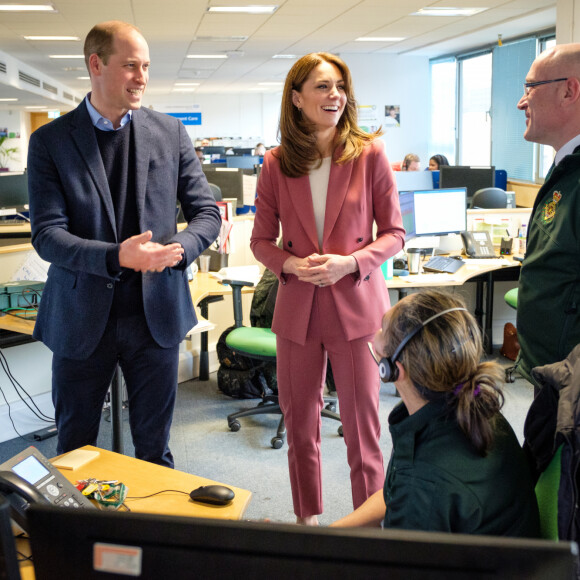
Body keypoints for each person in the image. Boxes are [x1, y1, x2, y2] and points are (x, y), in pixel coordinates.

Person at [27, 21, 222, 467]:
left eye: (146, 66)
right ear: (96, 64)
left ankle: (153, 536)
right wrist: (118, 257)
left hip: (155, 316)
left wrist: (179, 250)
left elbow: (206, 213)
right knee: (75, 449)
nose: (142, 77)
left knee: (155, 449)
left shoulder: (169, 133)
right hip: (81, 318)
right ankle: (78, 535)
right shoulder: (51, 142)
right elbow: (48, 235)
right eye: (131, 65)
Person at [250, 52, 405, 525]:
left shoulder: (369, 153)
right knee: (301, 428)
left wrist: (351, 262)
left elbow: (395, 233)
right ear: (296, 99)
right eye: (321, 86)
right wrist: (291, 263)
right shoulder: (276, 164)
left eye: (339, 85)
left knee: (363, 431)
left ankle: (367, 530)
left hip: (356, 307)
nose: (334, 95)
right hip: (298, 310)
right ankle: (308, 524)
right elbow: (260, 241)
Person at [332, 290, 540, 537]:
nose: (375, 335)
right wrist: (318, 537)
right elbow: (392, 496)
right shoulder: (470, 402)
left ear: (392, 369)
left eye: (381, 328)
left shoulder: (424, 483)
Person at [515, 43, 580, 388]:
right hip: (554, 376)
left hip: (571, 385)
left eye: (530, 88)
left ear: (569, 90)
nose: (521, 101)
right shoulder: (566, 169)